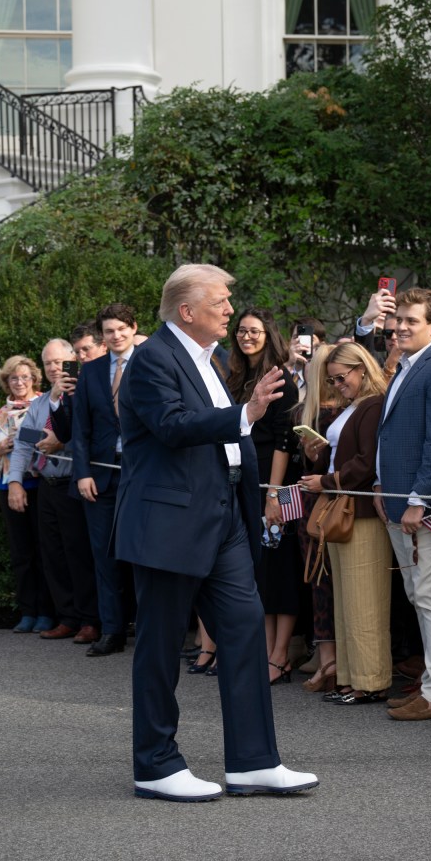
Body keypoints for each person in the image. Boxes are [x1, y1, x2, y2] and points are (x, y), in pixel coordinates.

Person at [113, 263, 317, 802]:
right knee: (159, 645)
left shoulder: (214, 358)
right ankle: (155, 765)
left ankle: (253, 762)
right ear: (187, 311)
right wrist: (245, 412)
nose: (231, 310)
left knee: (246, 629)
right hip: (169, 521)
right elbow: (174, 427)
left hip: (224, 513)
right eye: (221, 302)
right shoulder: (152, 359)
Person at [373, 289, 431, 721]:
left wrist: (418, 500)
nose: (401, 328)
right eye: (399, 321)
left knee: (430, 594)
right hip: (393, 500)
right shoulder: (406, 366)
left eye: (411, 321)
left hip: (419, 505)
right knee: (418, 593)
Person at [298, 342, 391, 705]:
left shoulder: (371, 405)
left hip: (362, 513)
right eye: (332, 379)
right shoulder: (354, 406)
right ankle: (351, 680)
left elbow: (366, 464)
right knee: (347, 603)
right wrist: (317, 456)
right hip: (344, 509)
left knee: (365, 602)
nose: (337, 384)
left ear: (362, 370)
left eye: (341, 377)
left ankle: (371, 682)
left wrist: (327, 481)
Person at [7, 340, 99, 644]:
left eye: (59, 361)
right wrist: (16, 482)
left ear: (72, 360)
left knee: (79, 554)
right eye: (48, 363)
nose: (53, 368)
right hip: (45, 486)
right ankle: (67, 617)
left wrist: (60, 440)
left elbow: (86, 437)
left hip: (73, 485)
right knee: (53, 556)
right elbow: (24, 441)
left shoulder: (83, 394)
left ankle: (89, 620)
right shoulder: (41, 403)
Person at [228, 308, 301, 686]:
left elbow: (284, 440)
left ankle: (280, 655)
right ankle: (267, 650)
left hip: (276, 485)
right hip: (246, 481)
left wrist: (273, 494)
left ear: (268, 335)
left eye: (254, 331)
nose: (247, 337)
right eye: (241, 330)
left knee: (281, 569)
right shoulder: (236, 375)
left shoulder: (280, 378)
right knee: (261, 572)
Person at [71, 303, 139, 657]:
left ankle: (147, 629)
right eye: (109, 331)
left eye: (121, 329)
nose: (115, 336)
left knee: (144, 555)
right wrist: (82, 472)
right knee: (104, 557)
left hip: (141, 474)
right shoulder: (92, 371)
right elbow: (80, 428)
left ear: (133, 328)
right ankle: (111, 631)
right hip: (99, 476)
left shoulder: (150, 362)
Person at [0, 355, 52, 634]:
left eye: (25, 377)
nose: (20, 382)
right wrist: (0, 449)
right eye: (14, 378)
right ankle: (28, 611)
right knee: (21, 552)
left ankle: (48, 612)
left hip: (38, 484)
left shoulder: (45, 405)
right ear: (6, 382)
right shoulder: (0, 414)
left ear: (34, 379)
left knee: (44, 551)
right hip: (7, 486)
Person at [294, 343, 343, 693]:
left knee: (333, 584)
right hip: (317, 505)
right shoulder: (307, 411)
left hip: (335, 503)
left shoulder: (348, 407)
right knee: (320, 583)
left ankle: (335, 660)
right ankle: (328, 659)